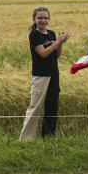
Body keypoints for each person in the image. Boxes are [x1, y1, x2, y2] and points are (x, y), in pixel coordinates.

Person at [19, 7, 69, 140]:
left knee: (52, 107)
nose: (43, 20)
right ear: (34, 19)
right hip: (41, 76)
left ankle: (48, 137)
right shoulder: (34, 35)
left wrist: (61, 43)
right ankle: (26, 139)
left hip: (53, 74)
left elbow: (56, 55)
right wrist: (57, 42)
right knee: (35, 107)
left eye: (45, 18)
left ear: (49, 19)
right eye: (39, 18)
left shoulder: (51, 34)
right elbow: (43, 54)